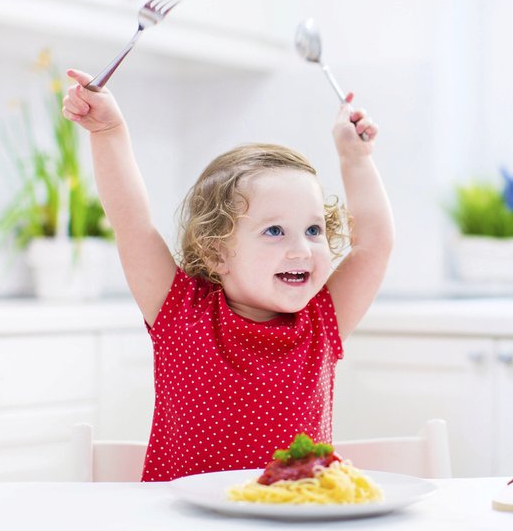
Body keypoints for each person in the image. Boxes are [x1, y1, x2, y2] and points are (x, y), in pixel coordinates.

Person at [61, 69, 394, 482]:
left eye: (313, 230)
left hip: (290, 530)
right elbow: (132, 222)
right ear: (217, 251)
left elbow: (373, 245)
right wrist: (109, 131)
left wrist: (355, 158)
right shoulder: (181, 313)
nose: (302, 249)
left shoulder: (322, 322)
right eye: (275, 231)